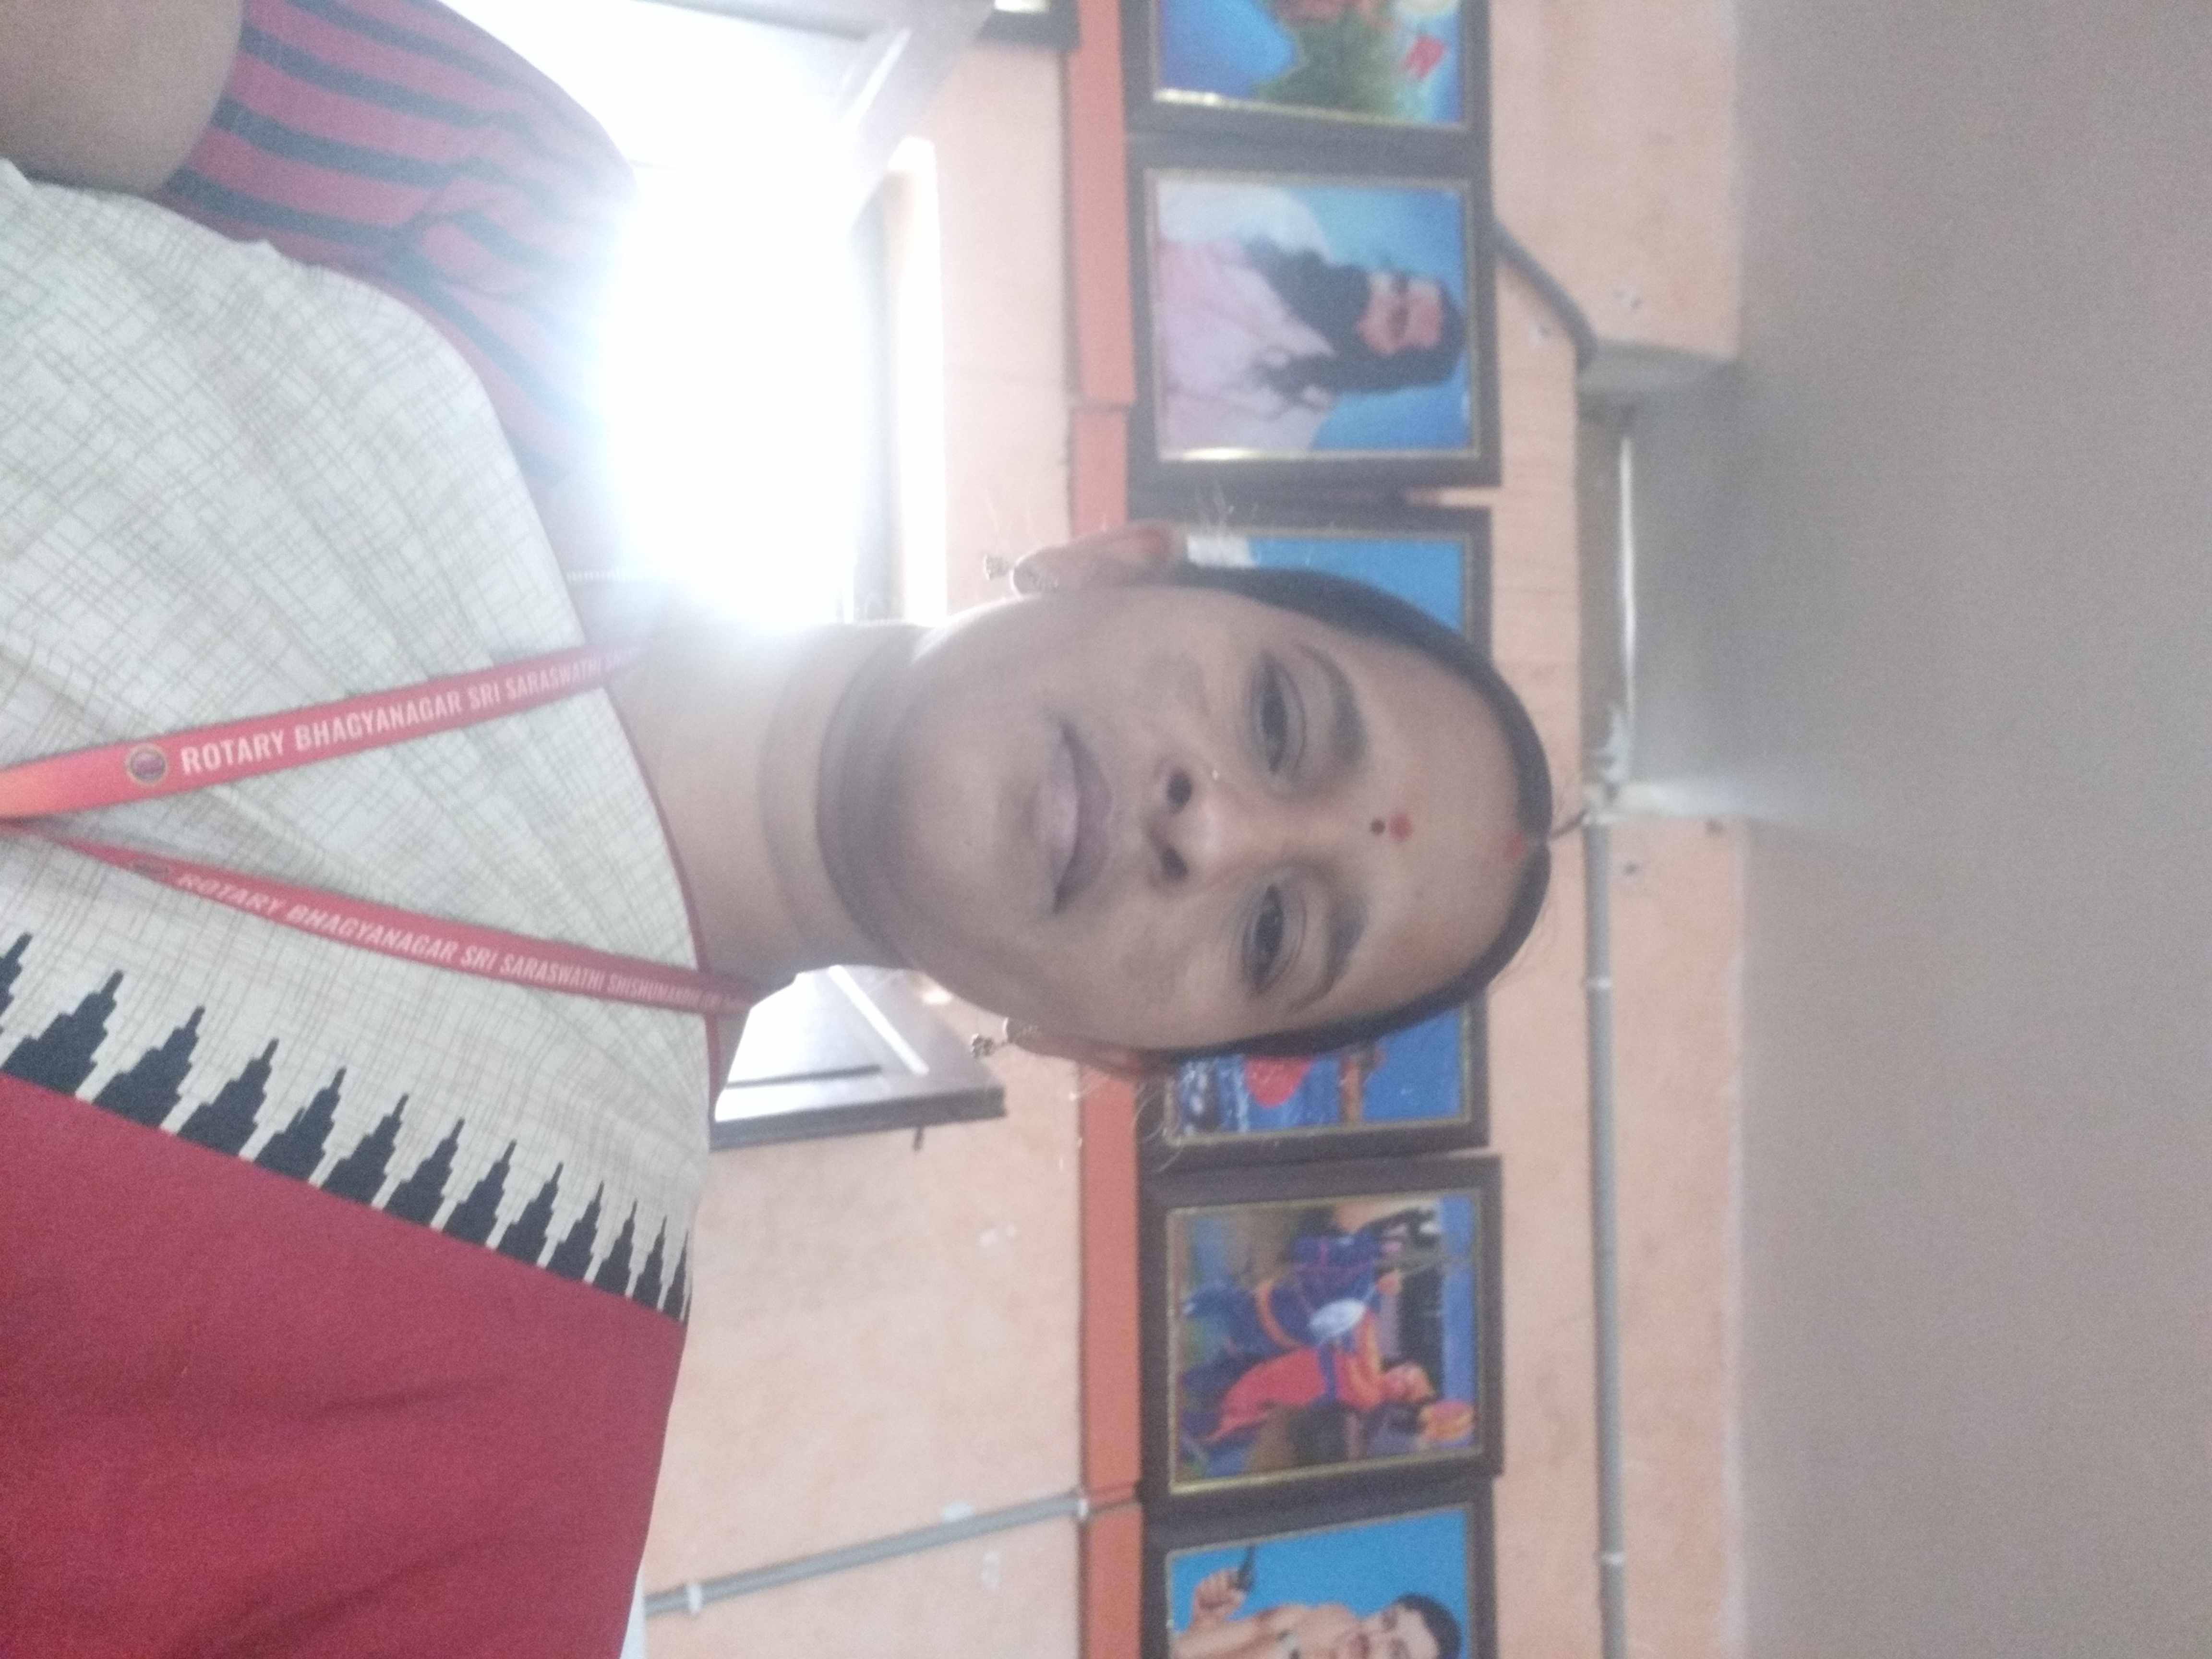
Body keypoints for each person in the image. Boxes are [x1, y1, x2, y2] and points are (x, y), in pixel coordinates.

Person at [0, 3, 1550, 1650]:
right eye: (1279, 719)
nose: (1215, 831)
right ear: (1108, 562)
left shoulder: (519, 1457)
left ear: (1103, 1050)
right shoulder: (524, 247)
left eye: (1273, 933)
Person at [1174, 1570, 1463, 1659]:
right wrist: (1206, 1625)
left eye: (1397, 1654)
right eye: (1386, 1621)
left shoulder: (1299, 1632)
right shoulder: (1299, 1619)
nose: (1374, 1639)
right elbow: (1178, 1651)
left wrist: (1293, 1644)